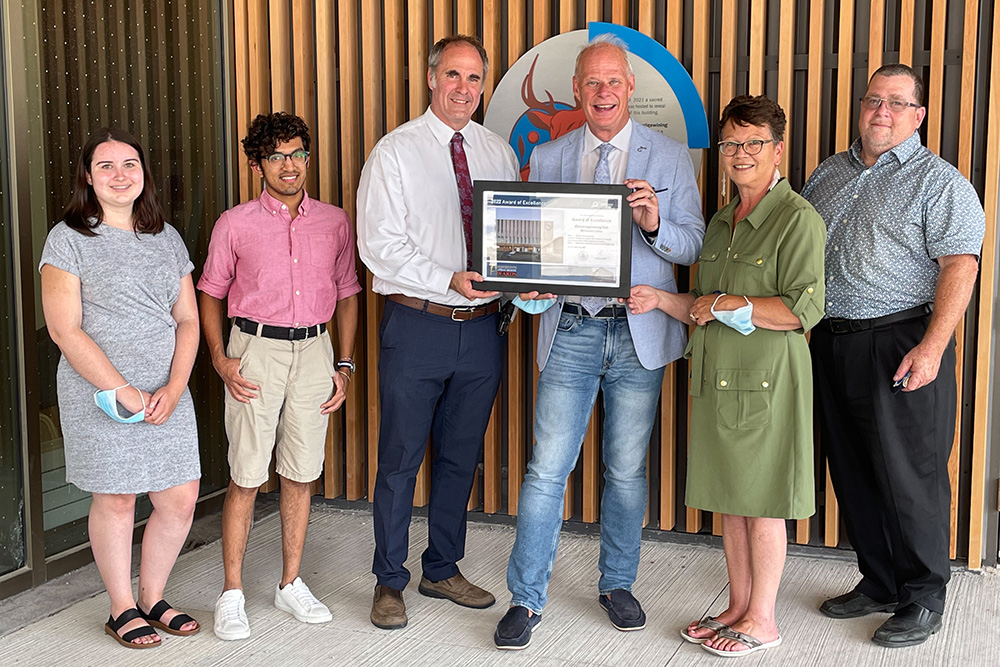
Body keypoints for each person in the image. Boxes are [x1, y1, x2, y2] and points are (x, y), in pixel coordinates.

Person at [493, 35, 705, 650]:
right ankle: (526, 601)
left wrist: (655, 224)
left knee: (624, 470)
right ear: (578, 90)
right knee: (545, 471)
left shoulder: (669, 157)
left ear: (630, 87)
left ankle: (617, 583)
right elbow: (529, 255)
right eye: (592, 82)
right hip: (573, 329)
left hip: (639, 334)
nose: (603, 92)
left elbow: (690, 245)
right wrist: (525, 289)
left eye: (613, 81)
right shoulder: (553, 156)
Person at [629, 95, 826, 656]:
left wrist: (717, 301)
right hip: (717, 380)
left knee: (761, 504)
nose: (741, 154)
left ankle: (763, 619)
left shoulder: (797, 218)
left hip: (766, 381)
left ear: (778, 149)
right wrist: (662, 300)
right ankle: (739, 606)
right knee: (732, 501)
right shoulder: (720, 220)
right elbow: (702, 303)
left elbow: (800, 311)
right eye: (732, 143)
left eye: (753, 143)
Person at [802, 64, 985, 647]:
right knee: (852, 469)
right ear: (861, 106)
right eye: (874, 100)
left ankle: (924, 595)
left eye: (897, 103)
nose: (882, 111)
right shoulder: (829, 172)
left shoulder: (940, 182)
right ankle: (878, 581)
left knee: (912, 476)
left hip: (902, 342)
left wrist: (933, 347)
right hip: (831, 341)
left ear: (919, 115)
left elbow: (961, 265)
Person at [356, 34, 519, 630]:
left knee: (460, 458)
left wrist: (528, 280)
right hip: (417, 324)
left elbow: (515, 241)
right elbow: (379, 248)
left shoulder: (497, 153)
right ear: (431, 79)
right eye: (454, 75)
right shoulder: (395, 152)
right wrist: (447, 279)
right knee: (400, 459)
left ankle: (442, 567)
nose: (464, 89)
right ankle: (388, 580)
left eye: (475, 79)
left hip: (482, 332)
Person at [198, 112, 361, 640]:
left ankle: (290, 583)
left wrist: (344, 364)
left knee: (301, 471)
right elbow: (210, 292)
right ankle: (232, 592)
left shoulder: (334, 221)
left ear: (308, 157)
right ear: (256, 165)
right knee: (246, 474)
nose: (289, 166)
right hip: (254, 351)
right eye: (276, 156)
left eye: (297, 154)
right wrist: (221, 359)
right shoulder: (235, 223)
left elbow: (347, 292)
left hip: (316, 350)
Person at [40, 128, 202, 649]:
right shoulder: (68, 238)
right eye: (105, 166)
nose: (119, 175)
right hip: (101, 391)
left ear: (143, 174)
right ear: (88, 176)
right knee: (117, 499)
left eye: (129, 164)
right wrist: (123, 390)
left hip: (166, 389)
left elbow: (188, 320)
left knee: (180, 496)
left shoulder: (167, 236)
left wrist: (175, 386)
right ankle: (120, 606)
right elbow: (65, 329)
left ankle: (153, 596)